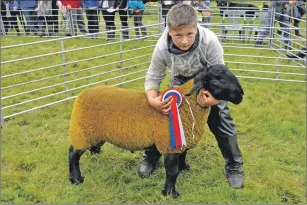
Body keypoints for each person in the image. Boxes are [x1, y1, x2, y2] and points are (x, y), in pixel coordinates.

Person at [139, 3, 244, 189]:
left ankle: (234, 165)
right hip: (179, 84)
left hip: (208, 83)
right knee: (164, 120)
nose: (184, 41)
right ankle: (151, 157)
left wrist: (215, 99)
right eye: (178, 35)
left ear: (197, 28)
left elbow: (218, 72)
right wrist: (151, 98)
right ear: (169, 30)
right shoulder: (162, 46)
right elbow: (154, 75)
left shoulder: (210, 41)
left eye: (189, 34)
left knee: (221, 119)